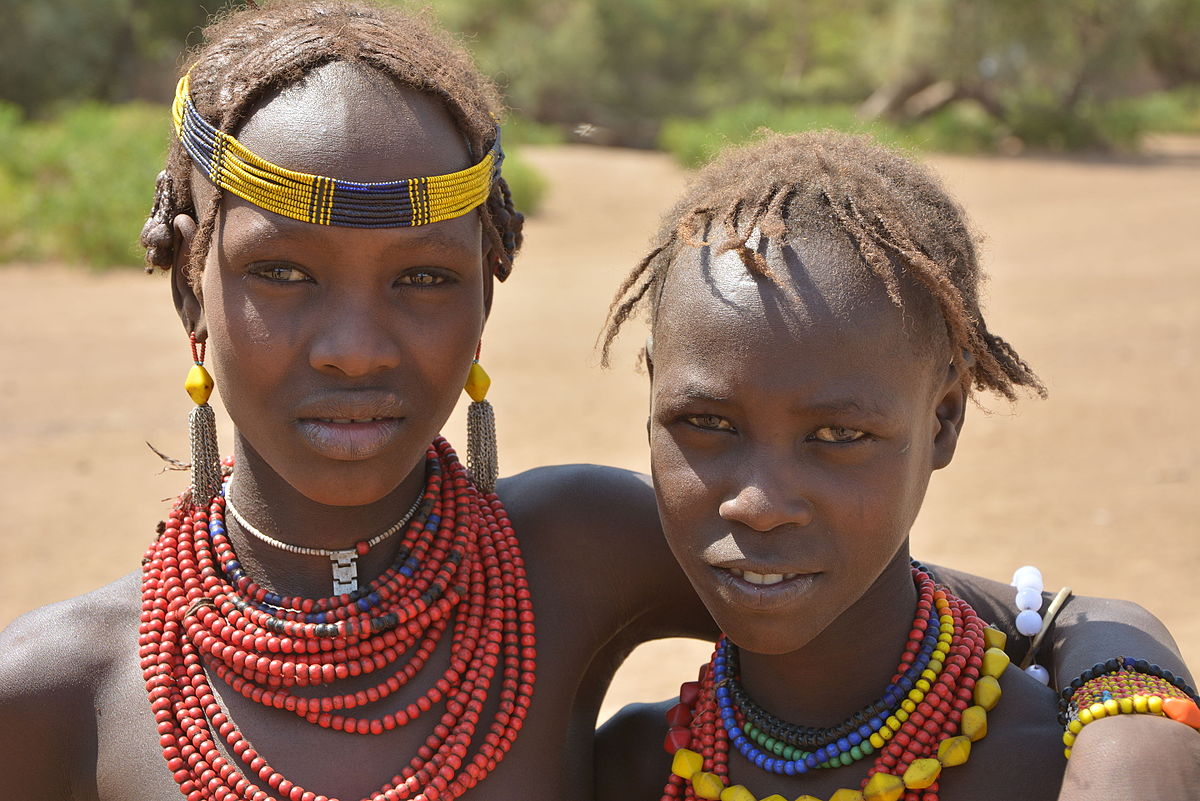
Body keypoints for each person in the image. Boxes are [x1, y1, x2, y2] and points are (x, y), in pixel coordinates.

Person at [0, 4, 1190, 801]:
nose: (356, 348)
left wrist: (1134, 722)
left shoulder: (571, 556)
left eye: (422, 279)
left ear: (485, 292)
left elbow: (990, 612)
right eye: (282, 275)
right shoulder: (64, 694)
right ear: (186, 285)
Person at [595, 131, 1200, 801]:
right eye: (706, 423)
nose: (760, 502)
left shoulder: (1066, 770)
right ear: (651, 396)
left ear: (944, 418)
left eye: (836, 434)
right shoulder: (629, 768)